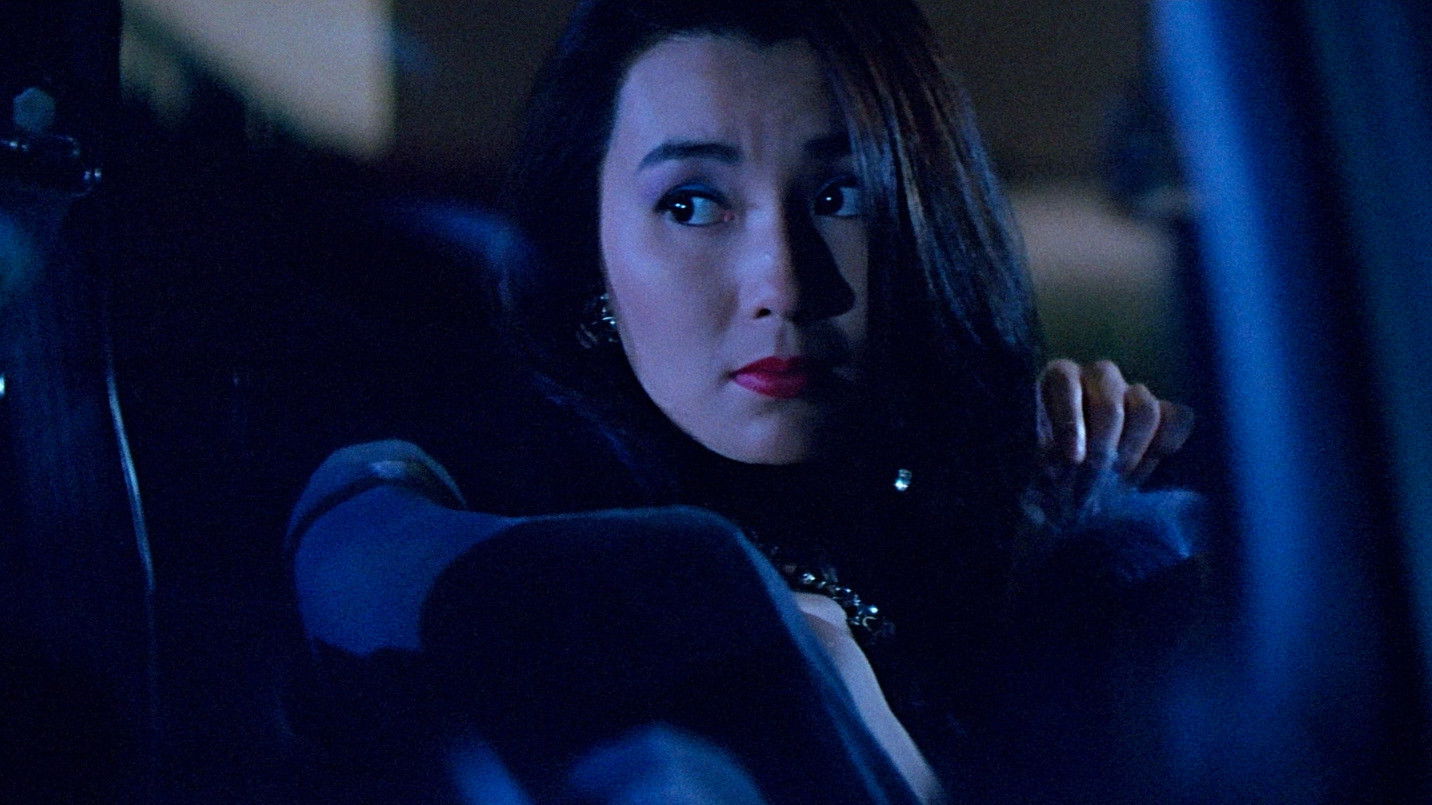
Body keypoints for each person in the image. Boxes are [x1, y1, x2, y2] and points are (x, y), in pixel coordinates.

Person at [287, 0, 1201, 801]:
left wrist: (1071, 542)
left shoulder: (1026, 509)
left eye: (841, 194)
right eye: (692, 205)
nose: (785, 284)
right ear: (590, 245)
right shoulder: (471, 488)